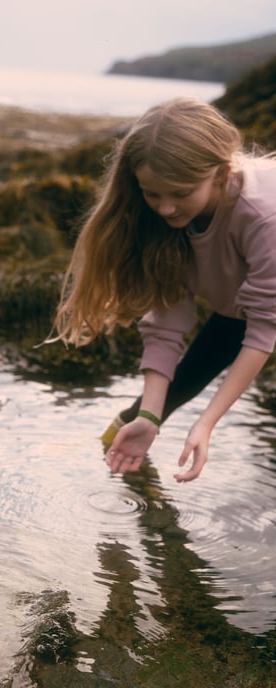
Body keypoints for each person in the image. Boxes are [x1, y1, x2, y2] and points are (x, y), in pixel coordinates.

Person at [53, 97, 276, 484]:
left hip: (258, 311)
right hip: (239, 311)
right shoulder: (168, 216)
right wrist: (150, 416)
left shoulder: (263, 216)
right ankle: (133, 437)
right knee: (155, 406)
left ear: (221, 174)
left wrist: (206, 424)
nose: (166, 208)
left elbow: (263, 330)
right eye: (153, 194)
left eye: (179, 193)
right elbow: (167, 321)